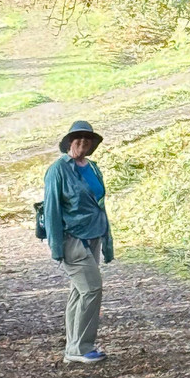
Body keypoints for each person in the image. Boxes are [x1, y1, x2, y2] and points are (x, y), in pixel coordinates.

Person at [43, 120, 114, 364]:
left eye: (87, 138)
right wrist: (56, 247)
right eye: (78, 138)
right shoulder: (58, 170)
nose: (83, 142)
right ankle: (82, 347)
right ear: (69, 142)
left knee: (79, 291)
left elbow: (100, 204)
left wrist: (107, 240)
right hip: (72, 239)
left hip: (94, 236)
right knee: (92, 289)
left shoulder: (92, 168)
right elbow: (51, 208)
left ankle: (73, 348)